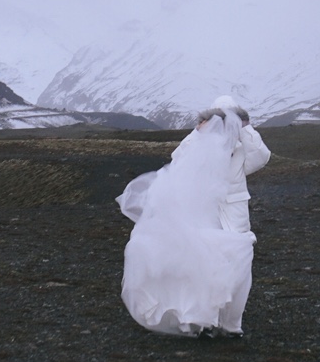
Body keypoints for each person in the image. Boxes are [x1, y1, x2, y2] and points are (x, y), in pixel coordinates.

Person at [117, 95, 272, 336]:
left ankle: (231, 323)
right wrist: (199, 133)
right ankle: (206, 319)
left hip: (235, 214)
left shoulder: (243, 146)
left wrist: (246, 127)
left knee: (239, 264)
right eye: (218, 119)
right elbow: (178, 159)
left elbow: (261, 158)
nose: (224, 124)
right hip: (205, 212)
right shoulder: (198, 143)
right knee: (207, 263)